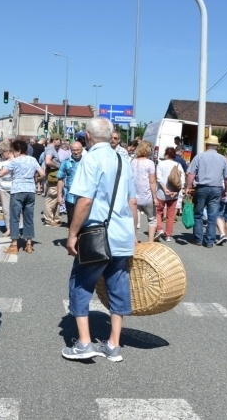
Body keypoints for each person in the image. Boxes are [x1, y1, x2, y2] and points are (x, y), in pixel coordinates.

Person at [63, 117, 137, 362]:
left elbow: (85, 200)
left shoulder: (90, 159)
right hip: (122, 235)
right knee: (118, 285)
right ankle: (114, 344)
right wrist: (134, 235)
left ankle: (84, 343)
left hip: (97, 234)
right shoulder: (123, 160)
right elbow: (132, 201)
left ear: (87, 135)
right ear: (112, 134)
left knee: (81, 284)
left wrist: (72, 233)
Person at [0, 139, 44, 254]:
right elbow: (42, 173)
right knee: (28, 217)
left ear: (18, 150)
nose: (13, 153)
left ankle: (14, 245)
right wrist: (34, 178)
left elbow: (1, 173)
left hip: (17, 190)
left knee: (15, 217)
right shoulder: (32, 159)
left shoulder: (15, 161)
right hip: (30, 190)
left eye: (14, 150)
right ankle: (29, 244)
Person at [184, 135, 227, 248]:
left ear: (207, 145)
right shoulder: (223, 159)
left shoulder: (199, 157)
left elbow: (191, 174)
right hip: (216, 189)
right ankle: (209, 241)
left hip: (202, 188)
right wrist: (226, 190)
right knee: (212, 215)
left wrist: (188, 187)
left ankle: (198, 239)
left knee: (198, 213)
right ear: (217, 146)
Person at [154, 147, 183, 243]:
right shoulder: (178, 165)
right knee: (170, 215)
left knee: (158, 212)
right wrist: (177, 191)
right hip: (173, 194)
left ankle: (159, 229)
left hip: (161, 193)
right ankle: (168, 235)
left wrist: (165, 189)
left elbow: (159, 178)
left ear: (166, 154)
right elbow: (182, 180)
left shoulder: (161, 164)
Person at [131, 141, 158, 243]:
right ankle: (150, 242)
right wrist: (155, 197)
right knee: (152, 219)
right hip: (146, 196)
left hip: (134, 196)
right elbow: (152, 181)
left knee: (135, 219)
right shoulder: (150, 163)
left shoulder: (132, 162)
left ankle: (135, 241)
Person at [57, 140, 84, 226]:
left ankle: (80, 239)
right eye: (73, 150)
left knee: (82, 222)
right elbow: (60, 179)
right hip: (70, 196)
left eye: (78, 150)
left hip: (83, 196)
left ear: (82, 150)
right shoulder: (65, 162)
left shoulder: (86, 162)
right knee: (72, 221)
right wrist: (59, 196)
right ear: (70, 150)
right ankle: (72, 239)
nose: (76, 152)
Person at [43, 134, 62, 227]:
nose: (61, 142)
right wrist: (58, 166)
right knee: (51, 198)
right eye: (59, 140)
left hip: (53, 175)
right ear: (55, 140)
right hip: (53, 176)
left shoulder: (50, 148)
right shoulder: (50, 149)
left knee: (54, 198)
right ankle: (49, 220)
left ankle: (53, 218)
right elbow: (48, 161)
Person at [0, 140, 13, 239]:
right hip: (3, 187)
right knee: (6, 210)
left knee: (14, 210)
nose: (1, 155)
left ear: (7, 150)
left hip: (14, 187)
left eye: (2, 152)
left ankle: (14, 228)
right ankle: (8, 228)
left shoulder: (15, 161)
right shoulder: (1, 163)